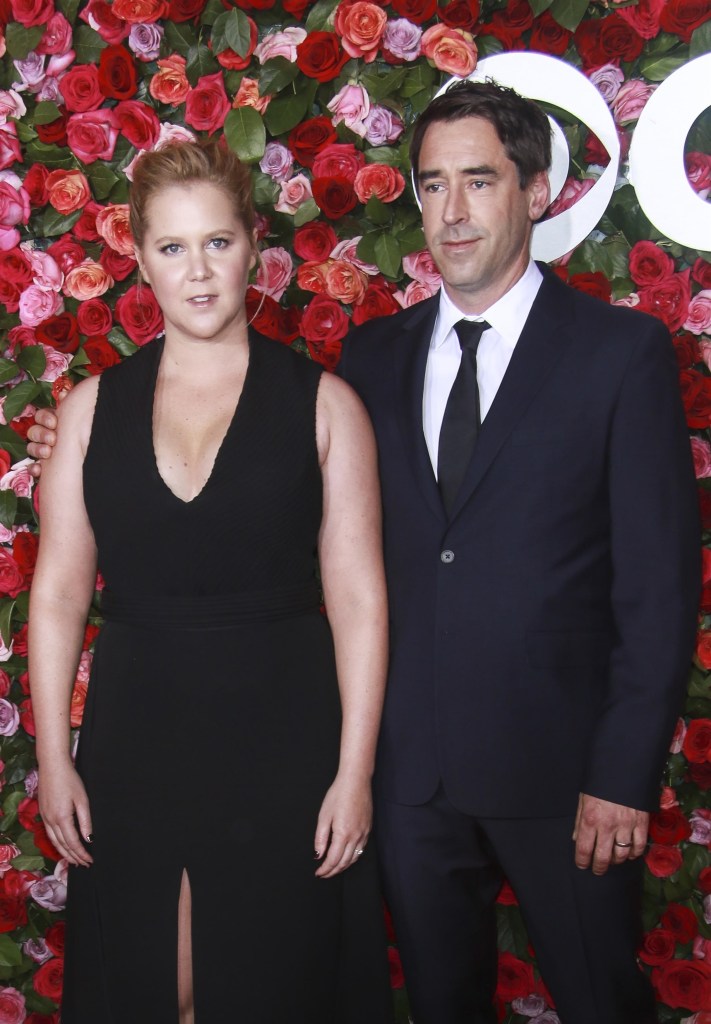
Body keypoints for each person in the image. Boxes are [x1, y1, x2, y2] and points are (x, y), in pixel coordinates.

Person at [27, 83, 700, 1024]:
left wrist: (620, 774)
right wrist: (85, 454)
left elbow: (657, 586)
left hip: (550, 774)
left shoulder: (616, 354)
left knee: (600, 1001)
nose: (452, 211)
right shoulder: (377, 356)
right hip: (402, 777)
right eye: (431, 185)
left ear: (536, 192)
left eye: (478, 181)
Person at [27, 139, 393, 1024]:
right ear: (139, 257)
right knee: (157, 988)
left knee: (267, 987)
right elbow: (60, 592)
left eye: (218, 244)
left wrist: (354, 773)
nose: (198, 272)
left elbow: (357, 599)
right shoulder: (87, 411)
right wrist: (51, 753)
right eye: (173, 248)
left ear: (254, 245)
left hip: (283, 739)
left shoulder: (325, 405)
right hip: (136, 737)